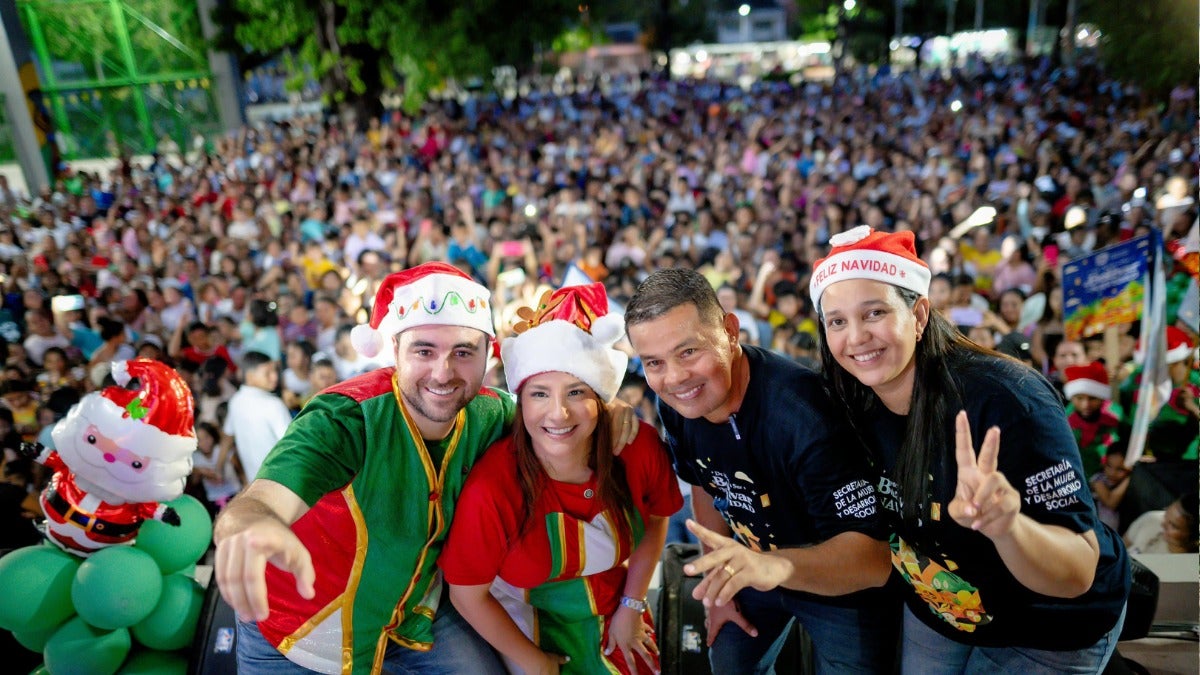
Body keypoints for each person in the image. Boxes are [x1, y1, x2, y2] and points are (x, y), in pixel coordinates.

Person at [214, 263, 637, 674]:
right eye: (424, 350)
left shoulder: (489, 413)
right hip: (298, 637)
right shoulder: (345, 419)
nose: (443, 372)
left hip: (417, 619)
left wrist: (604, 404)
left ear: (488, 355)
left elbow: (551, 409)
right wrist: (249, 525)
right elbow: (262, 500)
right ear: (394, 352)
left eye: (463, 352)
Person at [807, 225, 1130, 673]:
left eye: (875, 312)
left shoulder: (1008, 401)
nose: (856, 337)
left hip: (1048, 629)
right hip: (942, 609)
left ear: (919, 314)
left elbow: (1076, 573)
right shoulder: (848, 396)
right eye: (837, 321)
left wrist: (1008, 527)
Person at [623, 268, 895, 675]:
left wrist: (773, 566)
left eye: (688, 353)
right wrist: (719, 584)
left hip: (839, 584)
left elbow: (873, 562)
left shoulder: (804, 415)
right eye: (654, 362)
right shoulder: (677, 405)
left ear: (730, 330)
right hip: (753, 569)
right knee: (729, 660)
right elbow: (703, 482)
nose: (675, 378)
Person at [441, 283, 682, 675]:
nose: (558, 414)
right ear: (520, 402)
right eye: (538, 394)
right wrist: (534, 662)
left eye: (575, 392)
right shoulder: (493, 487)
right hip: (519, 622)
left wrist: (631, 607)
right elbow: (468, 596)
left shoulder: (637, 447)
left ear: (601, 399)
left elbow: (656, 519)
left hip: (616, 611)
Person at [221, 351, 292, 484]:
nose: (275, 377)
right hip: (282, 481)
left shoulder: (236, 401)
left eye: (275, 371)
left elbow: (227, 437)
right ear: (250, 376)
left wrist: (219, 467)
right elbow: (292, 445)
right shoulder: (274, 404)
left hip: (255, 484)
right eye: (267, 373)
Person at [1123, 491, 1199, 554]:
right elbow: (1120, 549)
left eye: (1173, 525)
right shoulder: (1151, 519)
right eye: (1166, 514)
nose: (1163, 524)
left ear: (1194, 538)